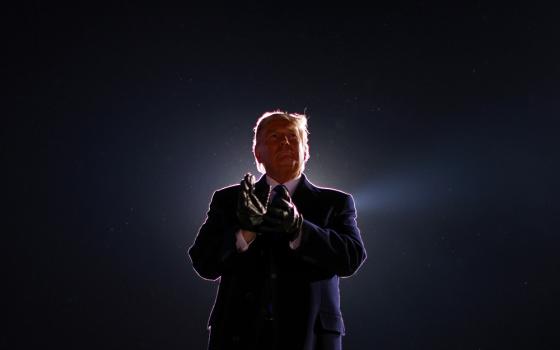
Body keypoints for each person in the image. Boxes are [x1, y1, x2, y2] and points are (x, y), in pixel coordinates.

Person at [188, 111, 366, 350]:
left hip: (310, 339)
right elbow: (203, 262)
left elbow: (351, 259)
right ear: (257, 152)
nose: (285, 143)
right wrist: (245, 232)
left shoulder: (335, 203)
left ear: (306, 151)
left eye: (293, 137)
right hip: (238, 337)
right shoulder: (228, 200)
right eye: (274, 136)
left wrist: (300, 229)